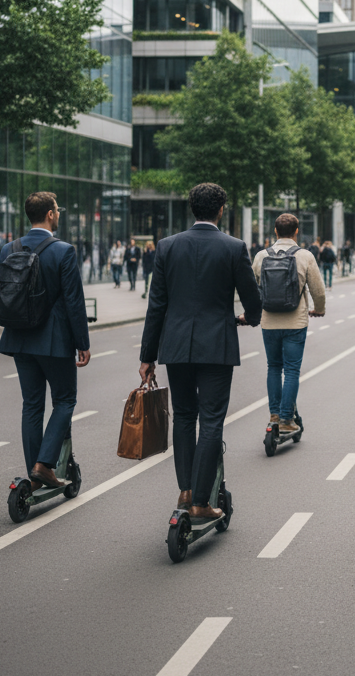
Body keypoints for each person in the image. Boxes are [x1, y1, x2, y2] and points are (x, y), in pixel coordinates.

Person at [138, 183, 262, 525]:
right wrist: (248, 319)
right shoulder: (234, 247)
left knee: (183, 416)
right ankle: (201, 502)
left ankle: (186, 491)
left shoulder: (166, 246)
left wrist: (147, 356)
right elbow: (252, 300)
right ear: (221, 209)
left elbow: (156, 305)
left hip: (176, 346)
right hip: (217, 346)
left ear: (192, 208)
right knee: (211, 421)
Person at [0, 192, 92, 489]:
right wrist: (83, 343)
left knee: (32, 405)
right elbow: (74, 302)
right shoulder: (63, 250)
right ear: (51, 214)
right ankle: (44, 464)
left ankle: (34, 474)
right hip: (54, 341)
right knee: (65, 400)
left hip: (19, 338)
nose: (58, 214)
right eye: (57, 210)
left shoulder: (7, 249)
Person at [252, 213, 326, 432]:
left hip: (269, 321)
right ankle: (286, 420)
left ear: (274, 232)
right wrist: (319, 310)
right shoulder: (305, 256)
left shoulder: (260, 256)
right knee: (291, 370)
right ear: (297, 231)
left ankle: (274, 415)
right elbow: (318, 290)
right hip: (296, 321)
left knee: (273, 367)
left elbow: (255, 284)